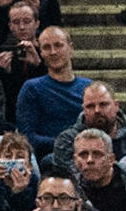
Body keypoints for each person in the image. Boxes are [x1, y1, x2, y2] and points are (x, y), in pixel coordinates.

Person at [15, 26, 91, 159]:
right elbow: (27, 136)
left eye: (58, 45)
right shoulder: (32, 88)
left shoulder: (88, 87)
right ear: (41, 53)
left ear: (70, 48)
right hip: (49, 158)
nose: (53, 52)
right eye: (46, 48)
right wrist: (67, 144)